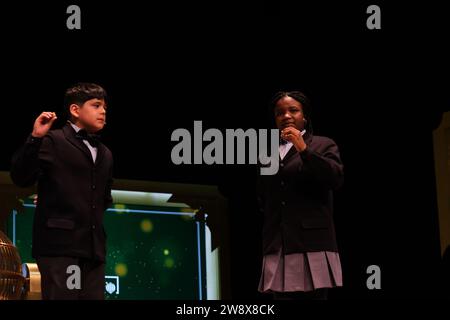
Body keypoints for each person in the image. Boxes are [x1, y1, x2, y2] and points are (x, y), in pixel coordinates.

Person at [10, 83, 113, 300]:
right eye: (96, 105)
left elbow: (103, 198)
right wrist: (35, 138)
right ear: (75, 110)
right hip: (62, 248)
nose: (103, 111)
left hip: (93, 251)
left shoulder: (105, 153)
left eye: (104, 107)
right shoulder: (54, 140)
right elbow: (21, 176)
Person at [257, 91, 344, 300]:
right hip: (278, 242)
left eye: (293, 110)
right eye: (280, 113)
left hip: (311, 243)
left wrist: (304, 149)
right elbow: (262, 196)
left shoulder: (323, 144)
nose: (286, 116)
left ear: (304, 116)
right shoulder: (267, 153)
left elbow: (335, 178)